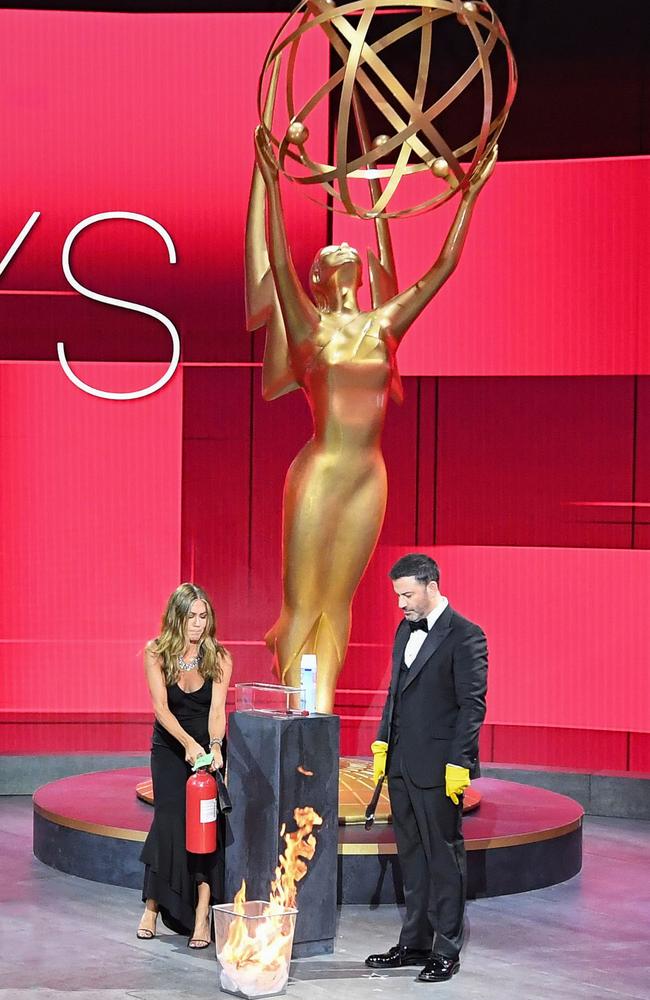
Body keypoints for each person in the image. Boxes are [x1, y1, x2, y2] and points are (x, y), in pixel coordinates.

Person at [247, 119, 496, 714]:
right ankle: (297, 721)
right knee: (302, 605)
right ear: (316, 278)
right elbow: (277, 261)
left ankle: (320, 721)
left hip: (368, 477)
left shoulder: (385, 327)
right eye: (329, 251)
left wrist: (471, 197)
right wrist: (270, 177)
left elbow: (443, 268)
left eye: (348, 247)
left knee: (340, 602)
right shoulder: (308, 329)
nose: (343, 248)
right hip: (320, 472)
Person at [365, 553, 487, 983]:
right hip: (400, 764)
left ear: (431, 586)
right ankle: (414, 942)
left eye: (407, 594)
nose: (400, 603)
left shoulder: (466, 635)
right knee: (412, 859)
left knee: (443, 859)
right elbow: (395, 694)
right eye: (397, 595)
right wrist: (383, 740)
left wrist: (460, 763)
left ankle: (446, 949)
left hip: (439, 767)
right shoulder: (404, 630)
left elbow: (472, 707)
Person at [136, 583, 232, 947]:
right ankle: (152, 906)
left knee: (206, 828)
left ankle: (202, 914)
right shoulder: (156, 652)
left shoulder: (219, 657)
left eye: (203, 616)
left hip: (206, 750)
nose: (197, 624)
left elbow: (218, 710)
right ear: (177, 617)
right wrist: (188, 744)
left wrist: (216, 746)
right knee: (169, 820)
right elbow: (161, 709)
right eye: (191, 616)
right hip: (170, 749)